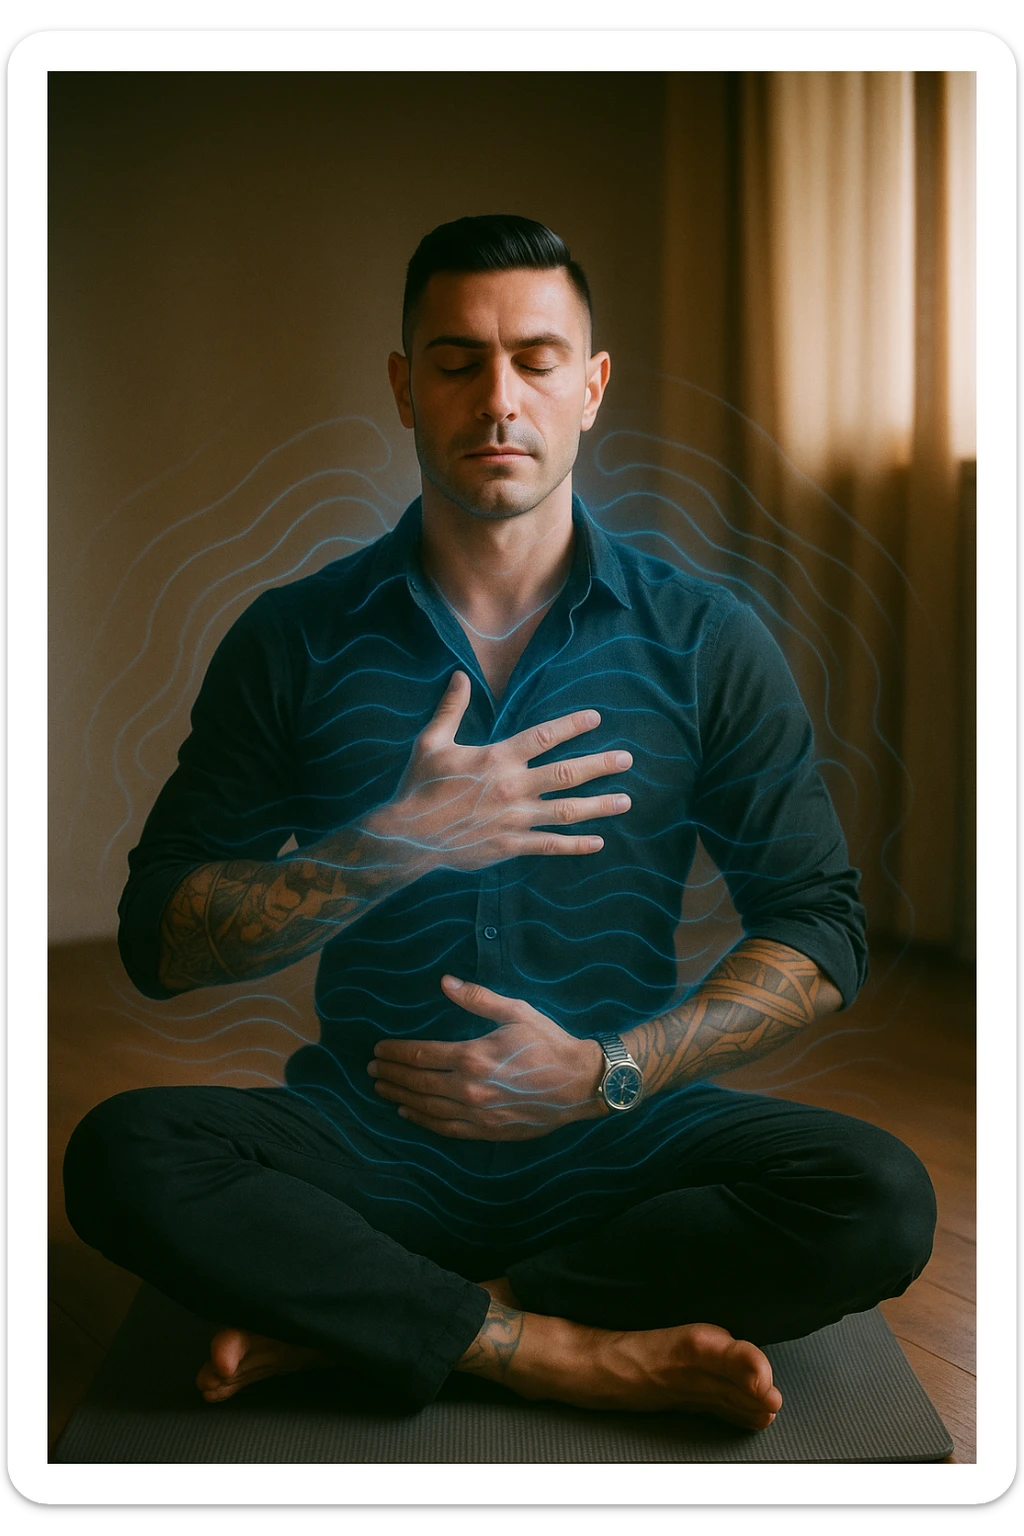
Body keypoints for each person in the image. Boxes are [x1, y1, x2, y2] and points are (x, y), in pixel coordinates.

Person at [64, 215, 936, 1432]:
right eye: (456, 361)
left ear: (592, 386)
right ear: (403, 387)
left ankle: (403, 1321)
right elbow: (158, 936)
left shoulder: (705, 639)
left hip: (614, 1139)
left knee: (879, 1197)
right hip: (367, 1140)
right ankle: (558, 1350)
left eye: (535, 359)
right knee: (121, 1153)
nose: (498, 399)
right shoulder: (295, 637)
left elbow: (818, 923)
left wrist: (606, 1073)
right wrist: (391, 846)